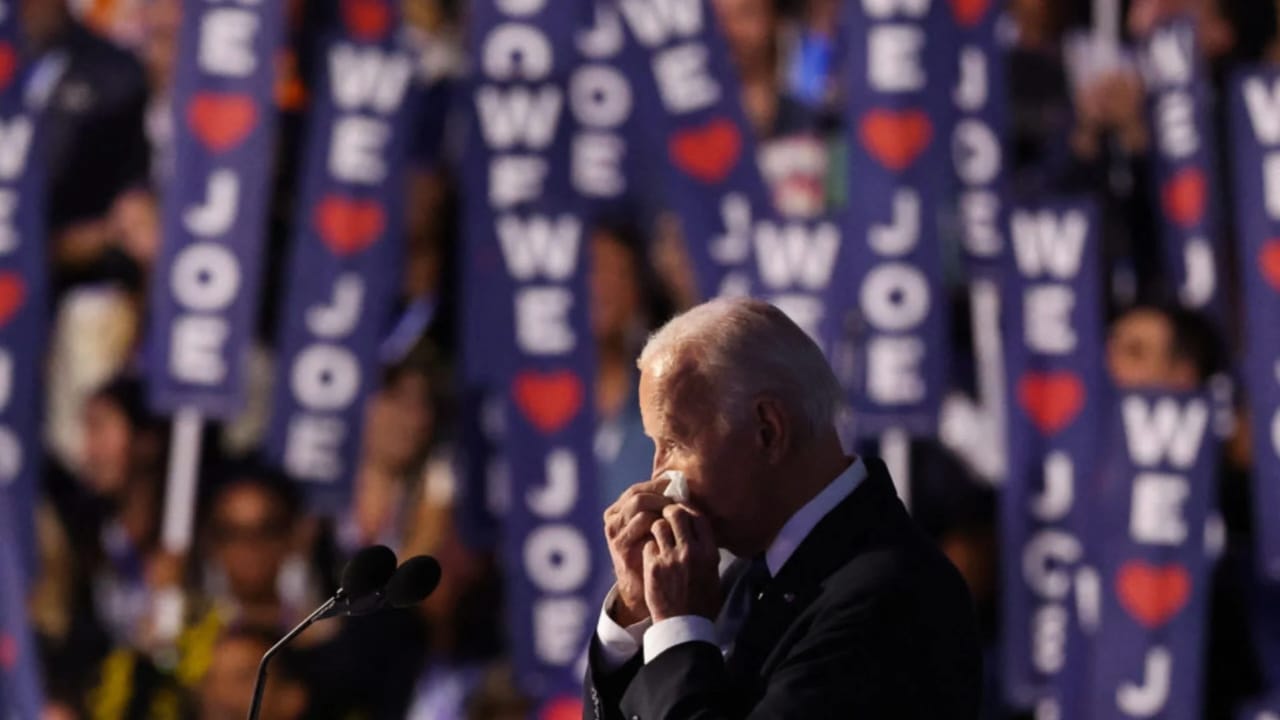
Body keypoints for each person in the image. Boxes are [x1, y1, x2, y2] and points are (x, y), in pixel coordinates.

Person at [585, 298, 982, 719]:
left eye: (676, 443)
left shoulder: (890, 597)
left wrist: (679, 631)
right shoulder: (739, 572)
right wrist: (636, 614)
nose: (658, 475)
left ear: (767, 430)